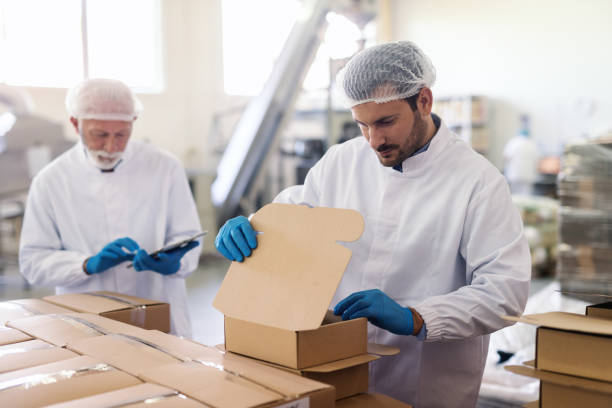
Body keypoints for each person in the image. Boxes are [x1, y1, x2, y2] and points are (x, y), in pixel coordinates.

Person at [215, 41, 530, 407]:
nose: (374, 140)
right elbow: (299, 213)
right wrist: (255, 225)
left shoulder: (477, 182)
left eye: (386, 122)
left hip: (427, 382)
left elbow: (505, 292)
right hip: (340, 370)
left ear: (424, 101)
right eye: (362, 124)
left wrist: (415, 317)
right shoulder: (341, 161)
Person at [19, 78, 202, 338]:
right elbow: (33, 262)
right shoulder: (50, 181)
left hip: (159, 310)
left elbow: (187, 236)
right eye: (100, 135)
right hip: (86, 321)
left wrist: (175, 262)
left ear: (133, 124)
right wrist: (86, 264)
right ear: (75, 123)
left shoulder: (164, 167)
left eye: (121, 135)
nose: (111, 147)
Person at [503, 114, 540, 195]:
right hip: (527, 176)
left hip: (514, 175)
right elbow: (537, 160)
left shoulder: (513, 142)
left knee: (514, 198)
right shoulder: (533, 144)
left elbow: (506, 157)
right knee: (526, 197)